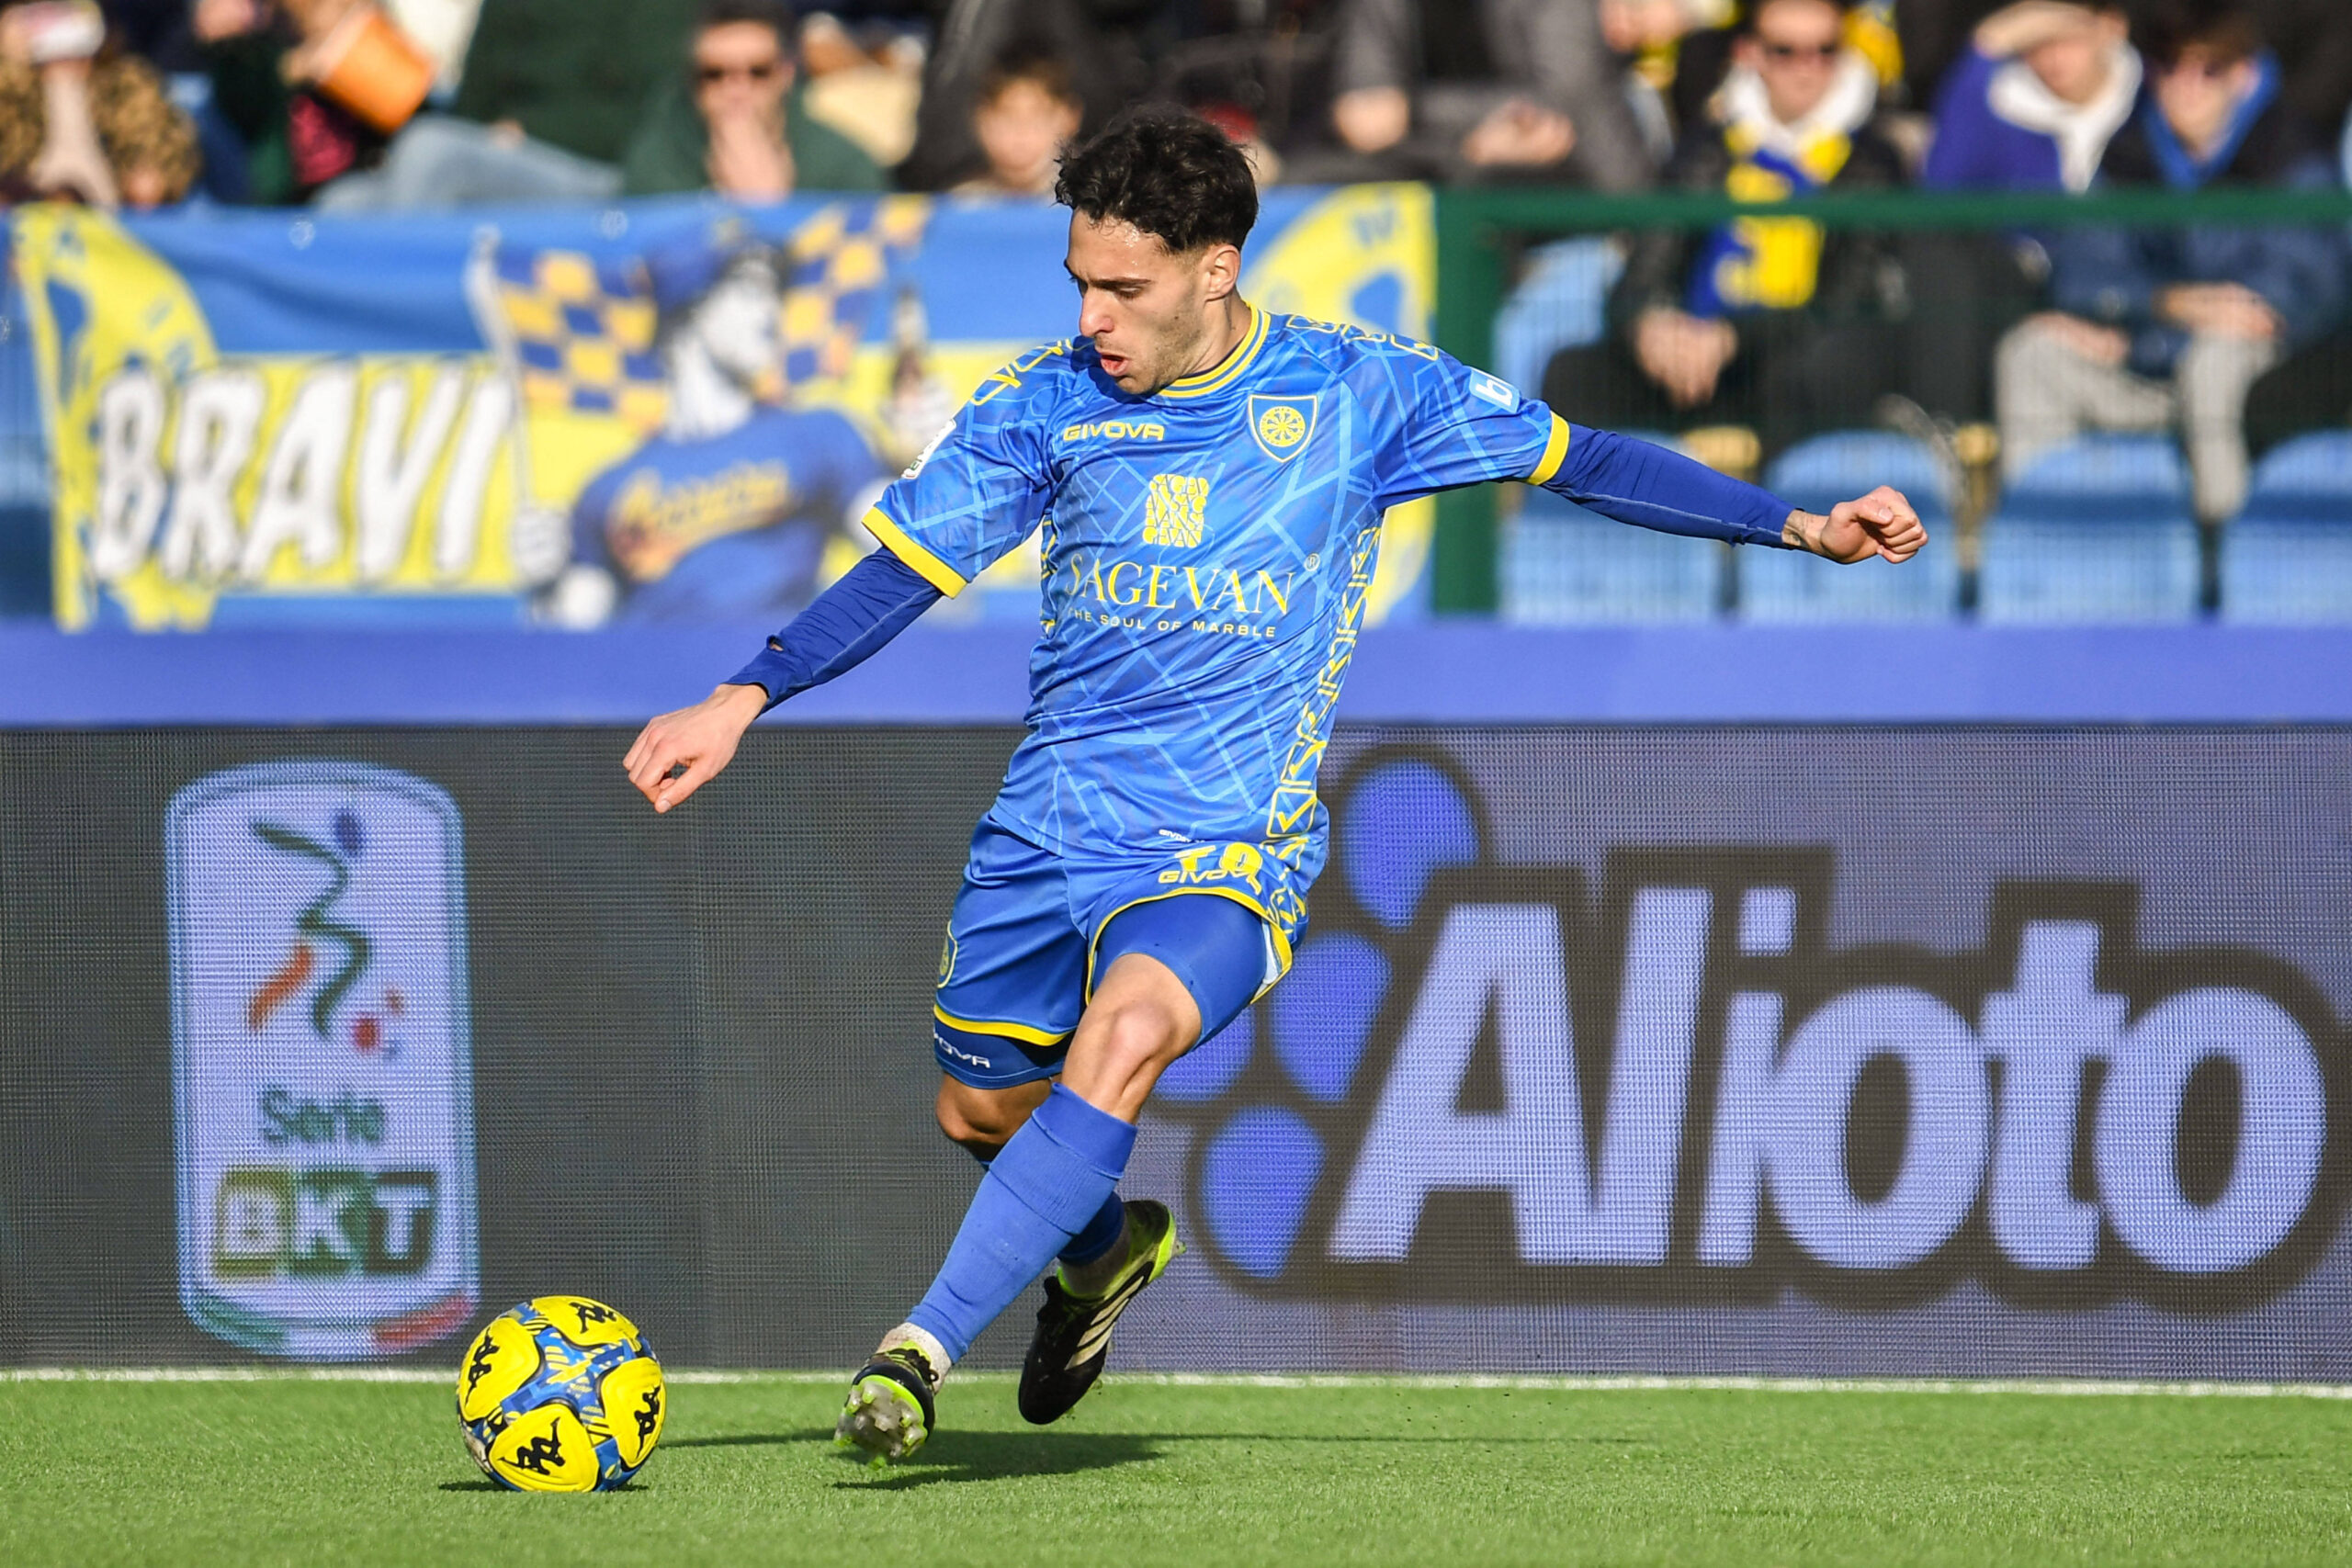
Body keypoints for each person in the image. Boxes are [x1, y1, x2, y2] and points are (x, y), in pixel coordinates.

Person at [619, 108, 1925, 1461]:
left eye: (1123, 287)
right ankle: (1102, 1250)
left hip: (1226, 840)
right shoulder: (1043, 403)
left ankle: (917, 1350)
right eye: (1079, 282)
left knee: (1126, 1032)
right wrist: (745, 694)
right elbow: (906, 569)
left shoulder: (1359, 393)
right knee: (983, 1110)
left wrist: (1802, 525)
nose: (1094, 316)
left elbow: (1581, 458)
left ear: (1216, 268)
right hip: (1049, 828)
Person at [1994, 0, 2345, 527]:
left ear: (2245, 74)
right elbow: (2080, 272)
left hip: (2270, 382)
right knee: (2032, 353)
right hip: (2152, 362)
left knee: (2216, 360)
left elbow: (2299, 294)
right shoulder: (2130, 151)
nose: (2187, 85)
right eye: (2170, 66)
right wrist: (2167, 305)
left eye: (2209, 68)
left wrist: (2150, 335)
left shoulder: (2291, 151)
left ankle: (2221, 548)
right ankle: (2044, 541)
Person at [1540, 0, 1907, 459]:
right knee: (1574, 372)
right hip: (1689, 361)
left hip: (1786, 362)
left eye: (1825, 51)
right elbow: (1644, 270)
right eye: (1785, 51)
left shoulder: (1872, 161)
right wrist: (1650, 328)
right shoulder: (1706, 146)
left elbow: (1847, 303)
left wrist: (1733, 338)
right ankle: (1594, 505)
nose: (1807, 69)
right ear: (1749, 53)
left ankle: (1778, 508)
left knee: (1815, 373)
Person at [540, 235, 887, 626]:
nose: (773, 312)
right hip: (655, 663)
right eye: (750, 292)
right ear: (691, 306)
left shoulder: (819, 436)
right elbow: (574, 635)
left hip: (776, 657)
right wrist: (545, 591)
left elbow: (912, 561)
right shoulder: (608, 488)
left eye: (775, 295)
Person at [1901, 1, 2139, 424]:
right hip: (2023, 295)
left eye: (2066, 37)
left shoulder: (2153, 99)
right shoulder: (2001, 102)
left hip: (2131, 293)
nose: (2052, 57)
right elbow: (1939, 193)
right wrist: (1986, 47)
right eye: (2035, 42)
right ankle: (1947, 427)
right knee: (1937, 254)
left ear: (2110, 28)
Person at [1326, 0, 1654, 189]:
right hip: (1419, 180)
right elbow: (1365, 118)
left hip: (1568, 198)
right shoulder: (1382, 7)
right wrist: (1466, 148)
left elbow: (1566, 101)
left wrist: (1417, 111)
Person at [622, 0, 882, 198]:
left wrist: (774, 210)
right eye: (714, 74)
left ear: (786, 74)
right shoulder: (656, 162)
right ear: (693, 79)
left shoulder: (844, 165)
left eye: (758, 72)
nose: (736, 90)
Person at [951, 39, 1081, 197]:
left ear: (1070, 118)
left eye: (1037, 121)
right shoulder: (963, 202)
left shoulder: (1090, 201)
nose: (1021, 137)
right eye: (1006, 120)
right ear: (980, 119)